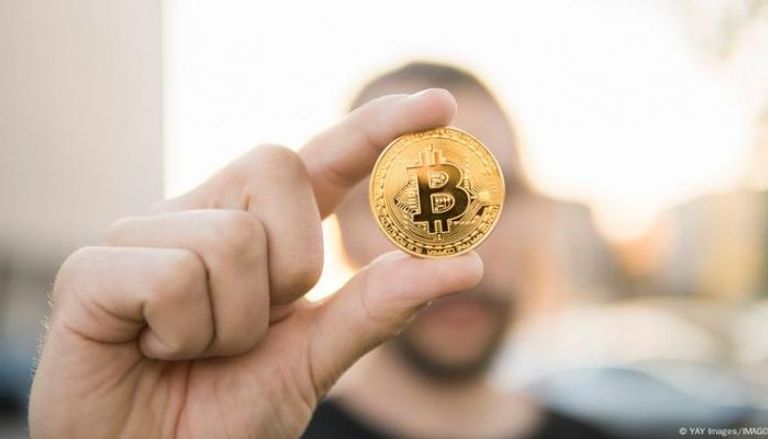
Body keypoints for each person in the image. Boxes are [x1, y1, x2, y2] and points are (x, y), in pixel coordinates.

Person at [28, 88, 485, 438]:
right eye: (404, 189)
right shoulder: (260, 414)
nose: (456, 226)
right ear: (343, 226)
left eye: (505, 188)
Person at [303, 62, 617, 438]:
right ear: (343, 231)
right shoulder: (270, 427)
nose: (454, 246)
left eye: (491, 194)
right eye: (406, 198)